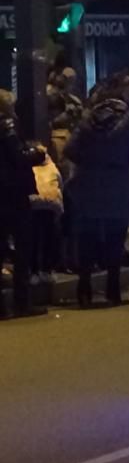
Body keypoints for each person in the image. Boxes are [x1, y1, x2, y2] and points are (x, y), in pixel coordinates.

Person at [64, 84, 129, 307]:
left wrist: (89, 161)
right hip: (117, 182)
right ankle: (113, 288)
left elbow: (69, 149)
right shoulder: (128, 121)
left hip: (88, 182)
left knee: (86, 237)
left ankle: (84, 287)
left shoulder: (86, 120)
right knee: (115, 237)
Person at [0, 90, 44, 318]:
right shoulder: (7, 128)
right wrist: (36, 154)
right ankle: (22, 301)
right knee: (24, 246)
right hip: (13, 193)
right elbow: (18, 157)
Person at [29, 145, 64, 284]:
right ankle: (47, 270)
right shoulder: (52, 167)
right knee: (50, 238)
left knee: (34, 239)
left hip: (32, 206)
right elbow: (61, 184)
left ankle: (34, 271)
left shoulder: (27, 167)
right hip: (51, 207)